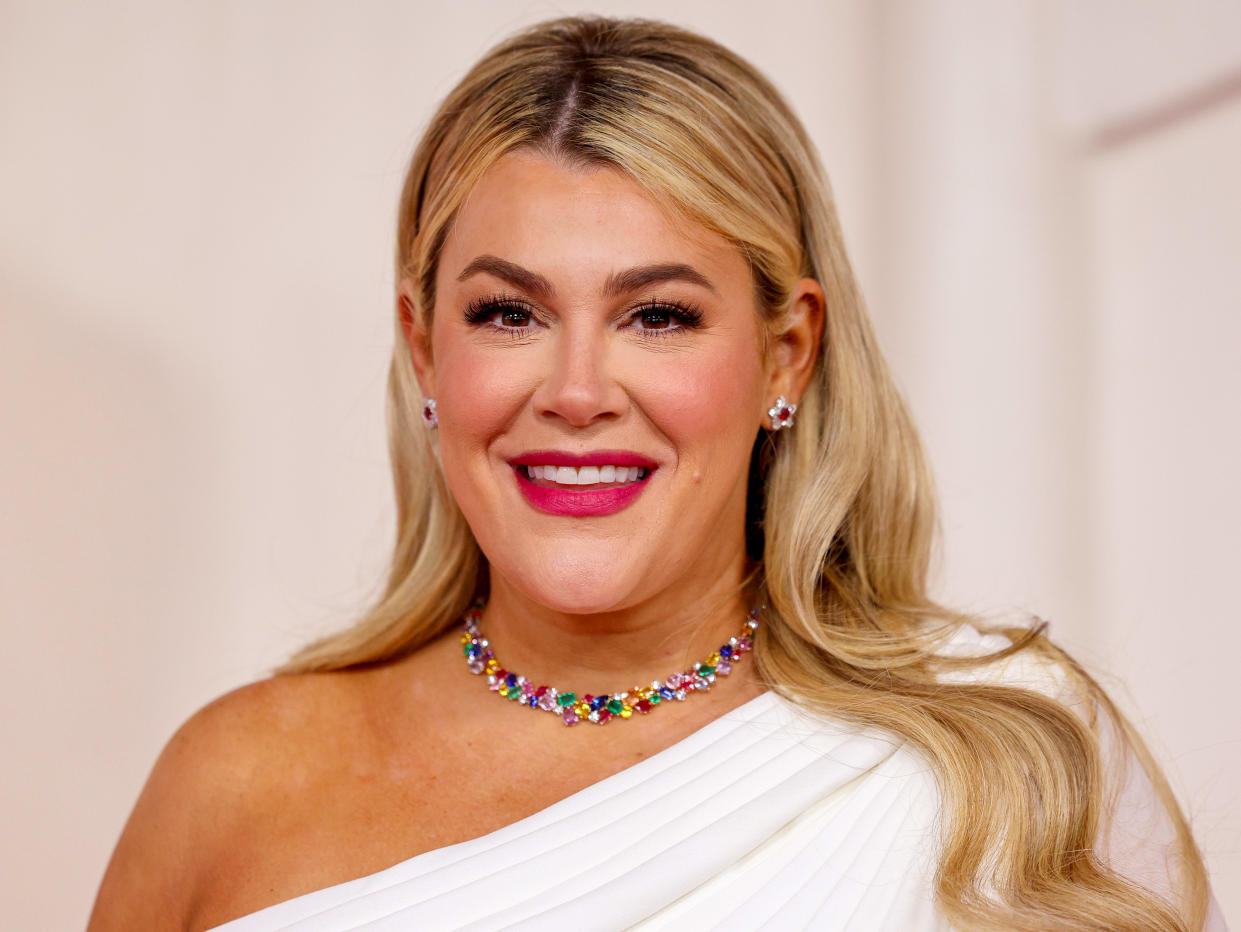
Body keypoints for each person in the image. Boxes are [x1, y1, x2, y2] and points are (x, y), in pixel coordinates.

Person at [88, 15, 1225, 932]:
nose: (576, 390)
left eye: (658, 314)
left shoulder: (1011, 753)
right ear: (425, 346)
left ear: (787, 352)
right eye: (508, 311)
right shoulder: (230, 779)